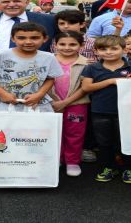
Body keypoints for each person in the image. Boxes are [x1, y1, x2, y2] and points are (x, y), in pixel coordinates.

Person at [81, 35, 131, 184]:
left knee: (126, 141)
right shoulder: (91, 67)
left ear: (124, 50)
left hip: (127, 112)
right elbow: (86, 87)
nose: (108, 52)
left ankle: (129, 168)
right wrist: (111, 81)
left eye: (114, 48)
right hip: (100, 111)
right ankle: (108, 167)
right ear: (96, 51)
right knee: (104, 142)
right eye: (103, 49)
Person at [0, 22, 63, 112]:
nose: (28, 42)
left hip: (36, 105)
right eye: (21, 38)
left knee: (37, 126)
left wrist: (40, 94)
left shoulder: (49, 57)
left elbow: (50, 78)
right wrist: (2, 94)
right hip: (3, 105)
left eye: (34, 38)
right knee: (5, 126)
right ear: (13, 39)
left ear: (45, 38)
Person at [49, 31, 89, 177]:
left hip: (77, 103)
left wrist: (65, 102)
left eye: (73, 44)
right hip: (50, 103)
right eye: (62, 44)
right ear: (55, 45)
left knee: (75, 132)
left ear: (81, 45)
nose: (67, 47)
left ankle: (72, 161)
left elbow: (85, 87)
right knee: (53, 131)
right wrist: (52, 100)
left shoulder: (86, 63)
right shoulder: (48, 60)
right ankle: (56, 158)